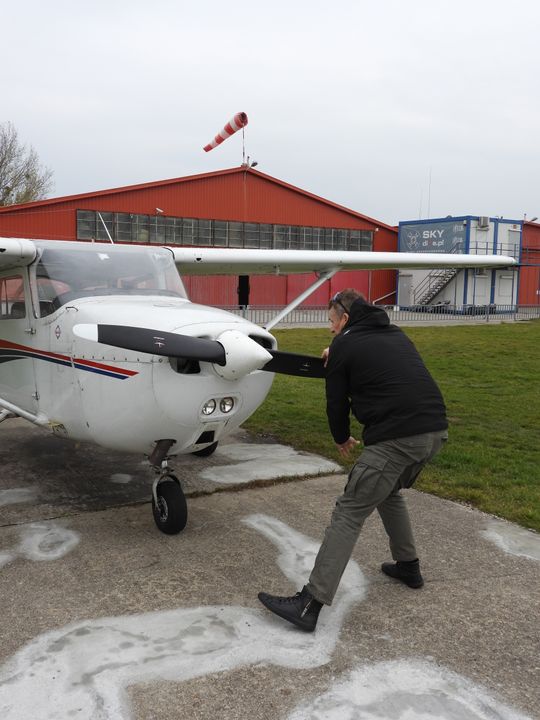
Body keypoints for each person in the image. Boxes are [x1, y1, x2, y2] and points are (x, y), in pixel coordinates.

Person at [258, 289, 448, 632]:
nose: (330, 328)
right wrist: (340, 351)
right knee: (388, 492)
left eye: (332, 322)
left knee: (348, 512)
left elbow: (336, 403)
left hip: (397, 438)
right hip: (434, 432)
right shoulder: (394, 333)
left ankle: (308, 604)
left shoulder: (345, 344)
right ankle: (408, 566)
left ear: (345, 318)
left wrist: (341, 437)